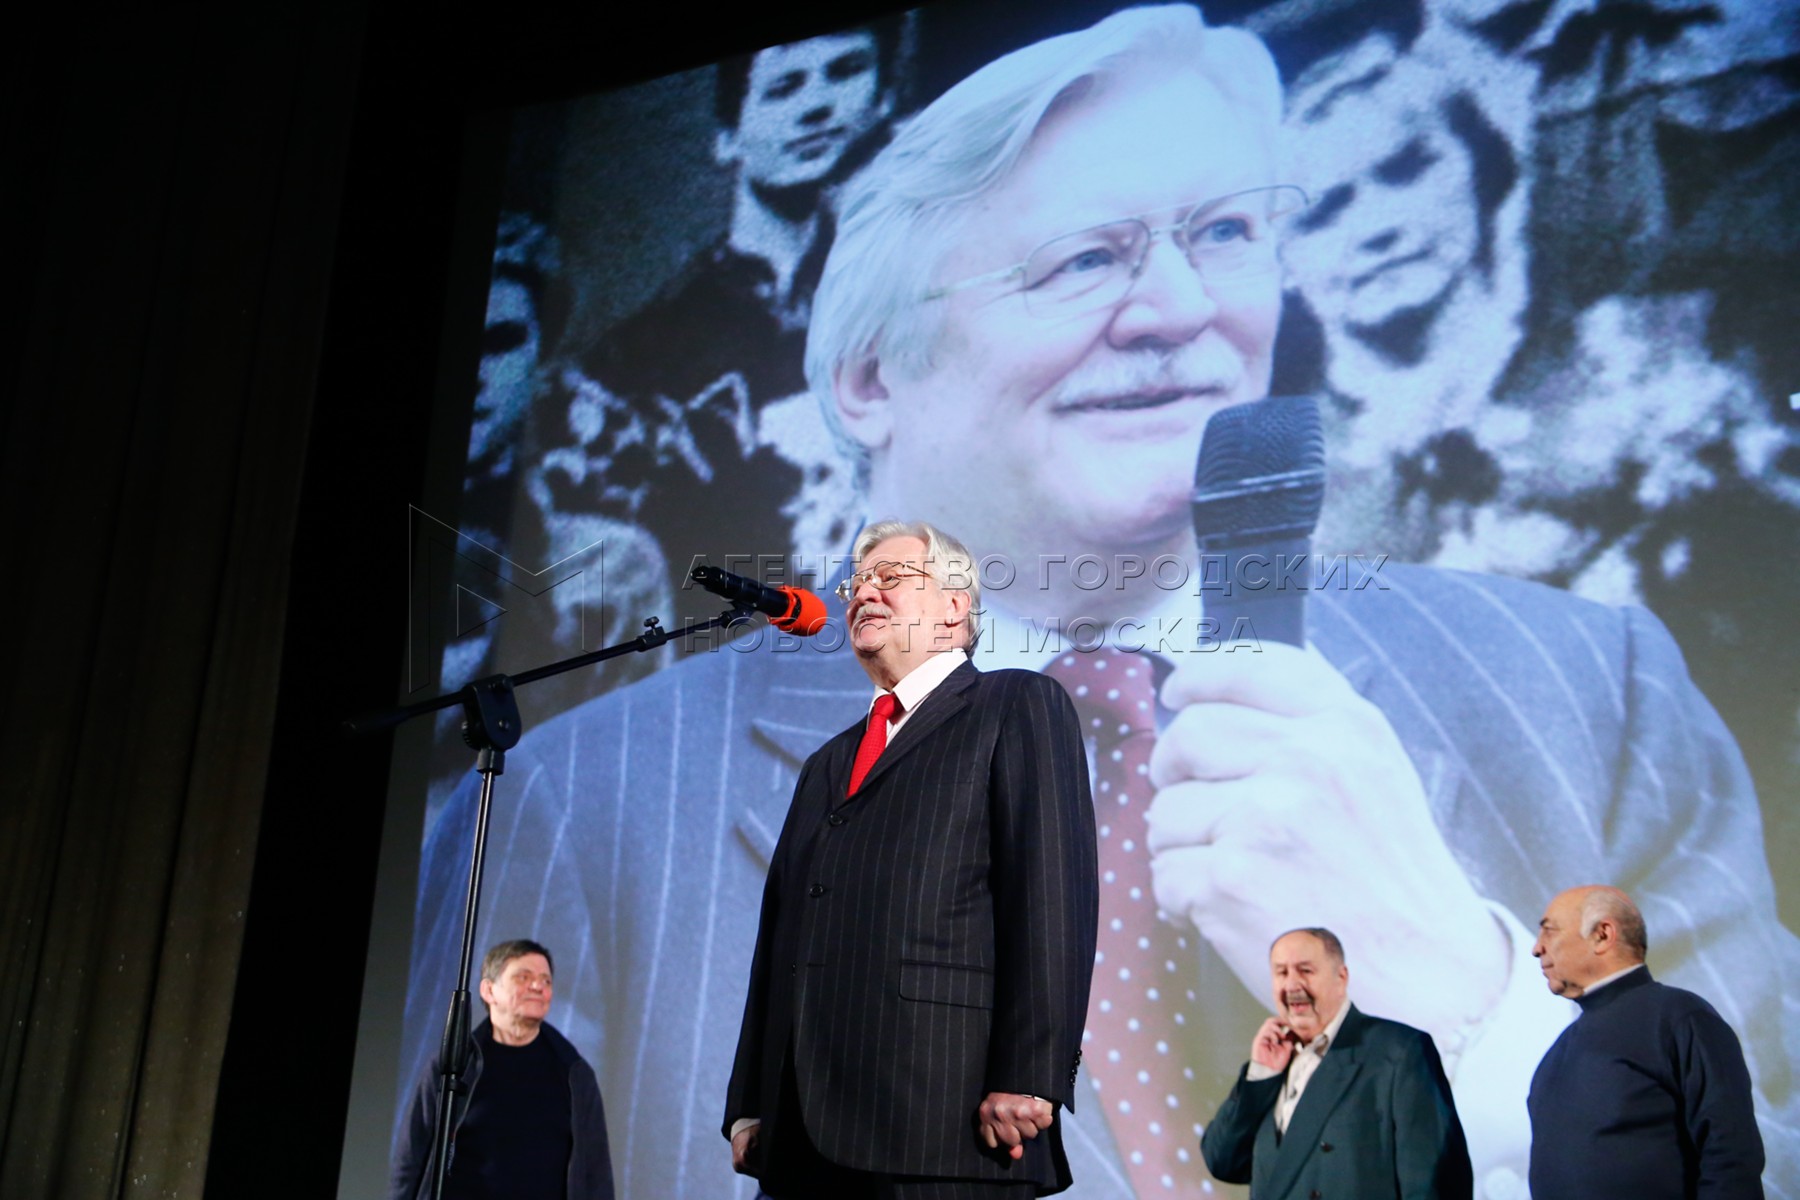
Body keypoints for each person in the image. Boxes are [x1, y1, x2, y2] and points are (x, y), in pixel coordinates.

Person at [401, 7, 1798, 1198]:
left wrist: (1473, 1008)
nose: (1183, 308)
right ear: (872, 374)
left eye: (1227, 233)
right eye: (1088, 259)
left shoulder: (1585, 693)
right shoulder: (574, 809)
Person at [722, 520, 1097, 1197]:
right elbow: (781, 933)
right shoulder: (827, 762)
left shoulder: (1015, 704)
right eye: (856, 582)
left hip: (942, 1122)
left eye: (890, 577)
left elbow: (1052, 897)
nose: (864, 591)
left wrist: (1031, 1073)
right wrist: (750, 1098)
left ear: (955, 604)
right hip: (801, 1135)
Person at [551, 21, 909, 627]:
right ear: (726, 136)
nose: (818, 103)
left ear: (883, 100)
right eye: (784, 86)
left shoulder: (918, 300)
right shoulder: (635, 355)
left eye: (846, 72)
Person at [1527, 886, 1766, 1199]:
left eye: (1549, 931)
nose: (1536, 948)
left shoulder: (1680, 1018)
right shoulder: (1559, 1049)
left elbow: (1730, 1154)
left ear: (1602, 934)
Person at [1201, 928, 1471, 1199]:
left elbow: (1437, 1183)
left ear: (1341, 978)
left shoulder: (1398, 1051)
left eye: (1305, 971)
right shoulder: (1272, 1066)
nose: (1292, 985)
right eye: (1281, 973)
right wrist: (1261, 1074)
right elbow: (1223, 1162)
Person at [392, 940, 615, 1200]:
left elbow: (596, 1173)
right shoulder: (454, 1066)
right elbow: (411, 1160)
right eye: (524, 977)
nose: (537, 987)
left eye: (546, 981)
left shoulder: (574, 1074)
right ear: (489, 990)